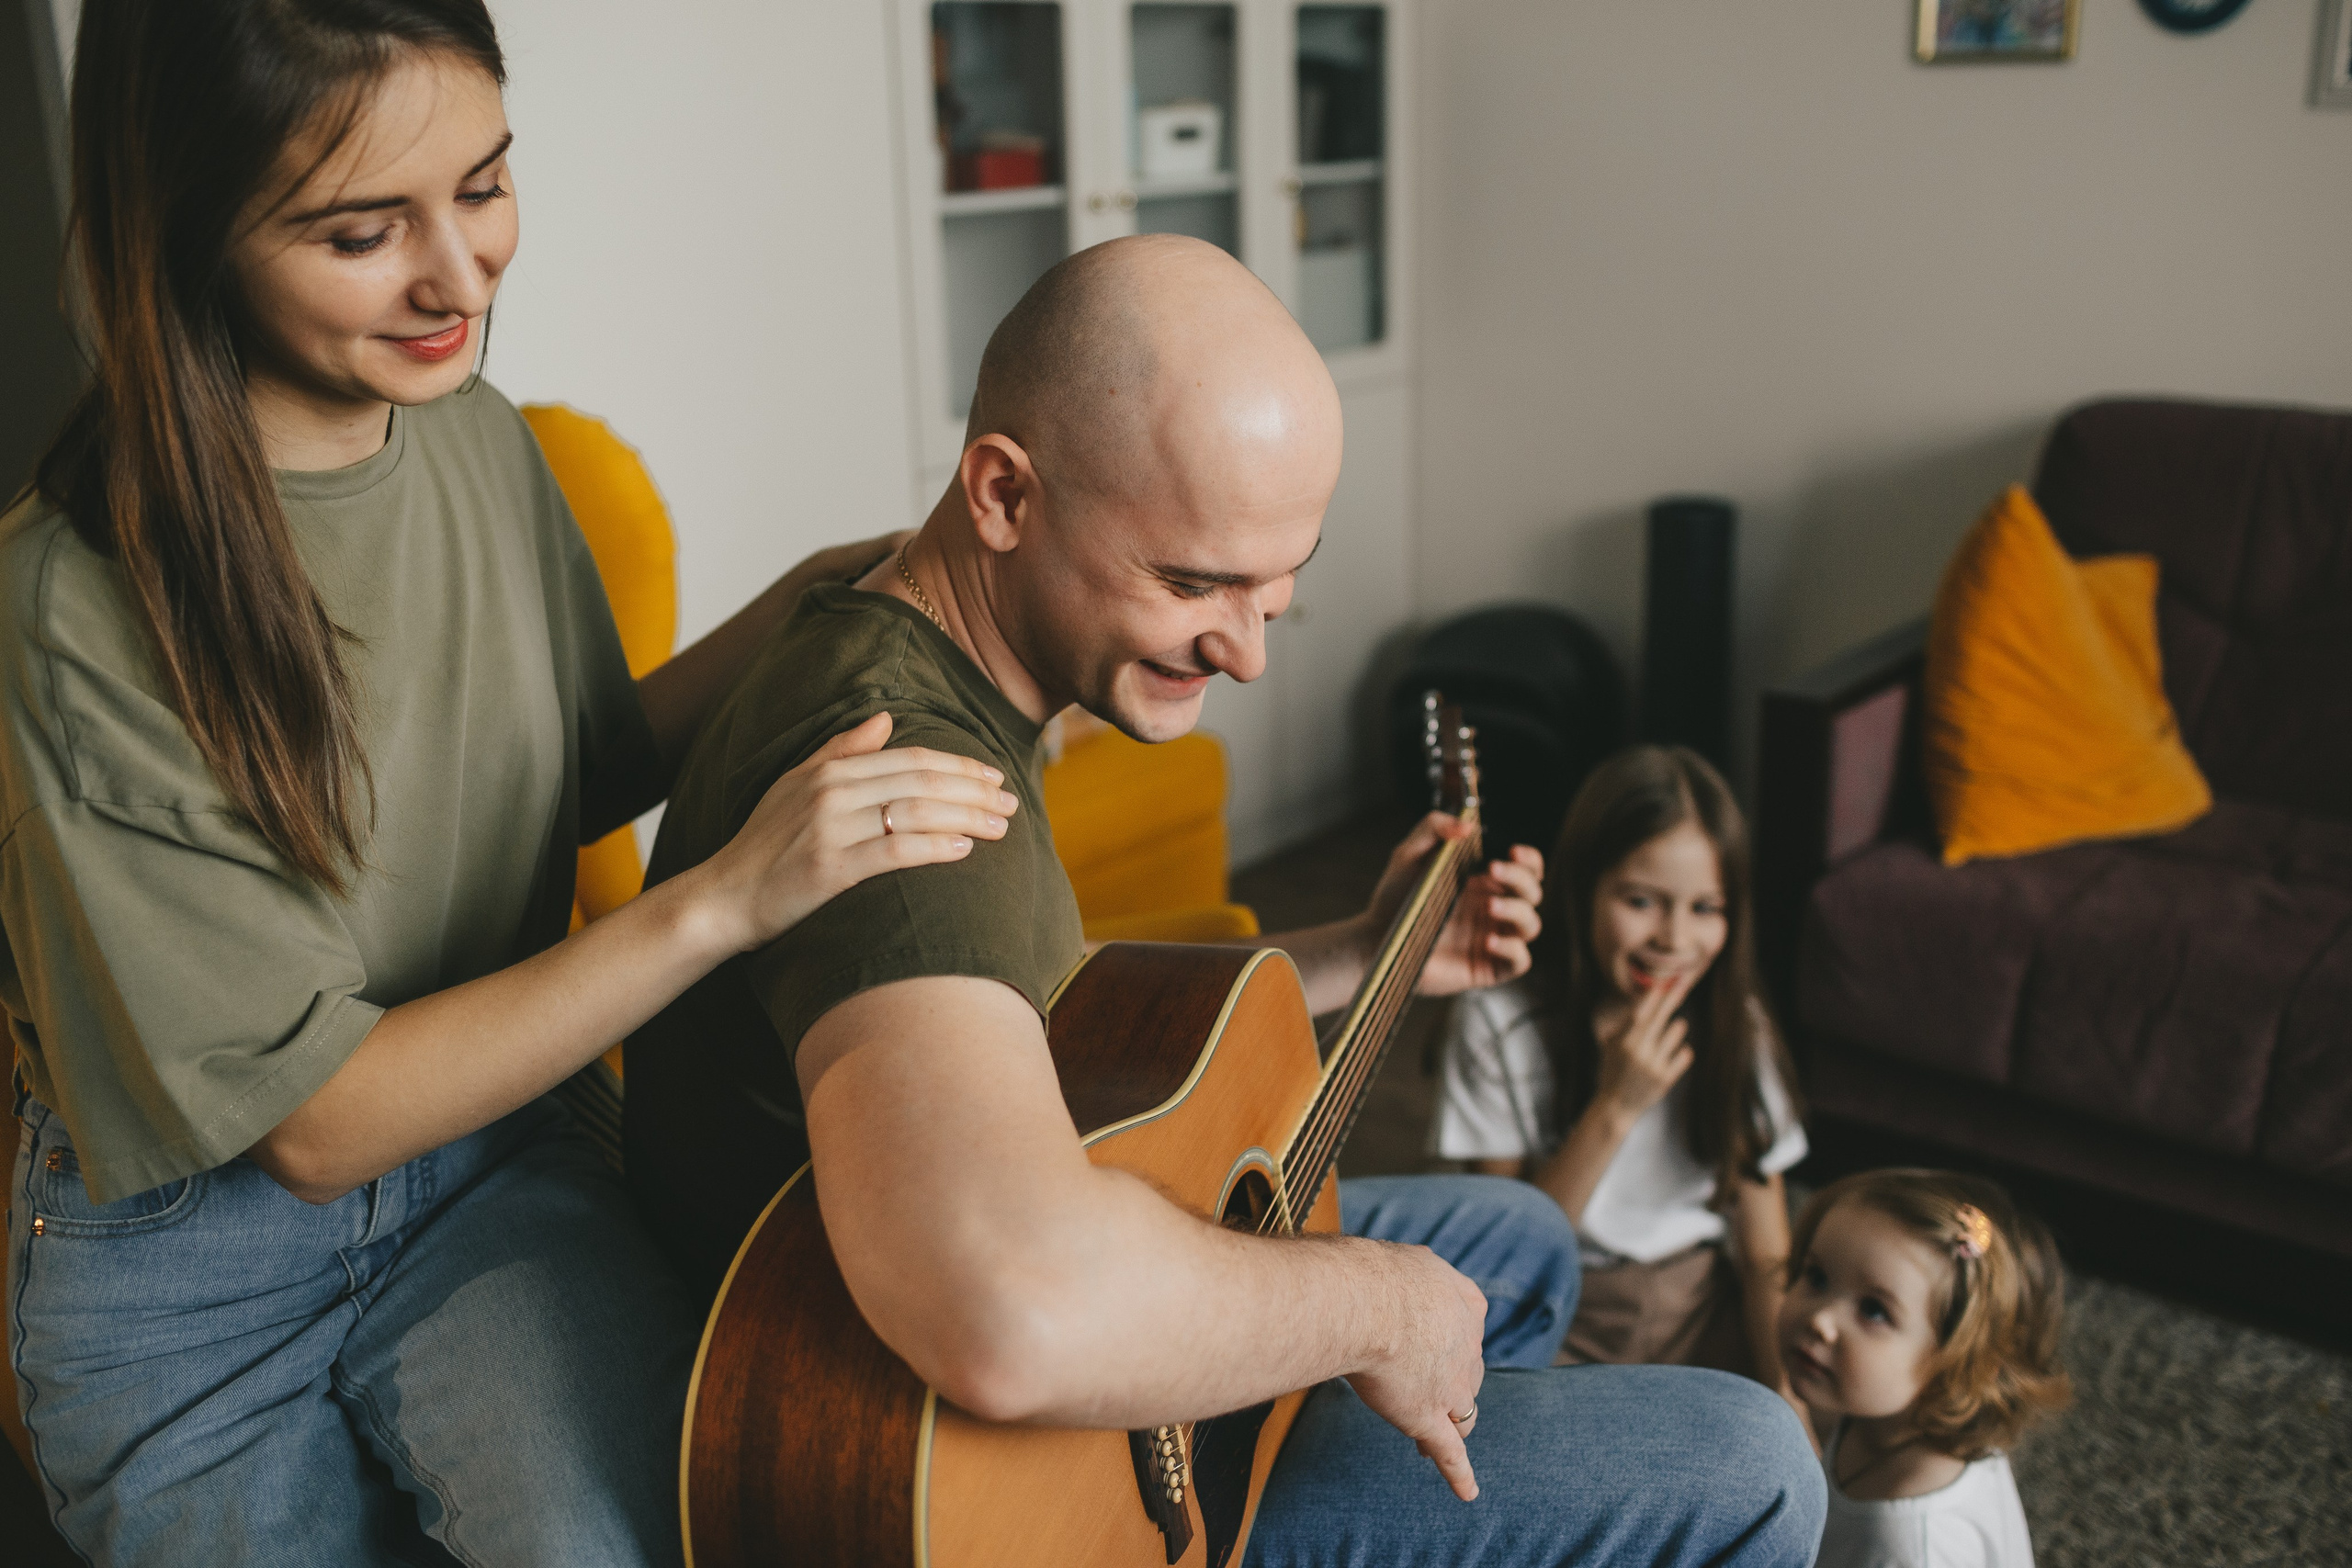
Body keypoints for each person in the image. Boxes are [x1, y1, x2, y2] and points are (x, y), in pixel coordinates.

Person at [628, 234, 1826, 1566]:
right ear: (1005, 492)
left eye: (1279, 587)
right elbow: (1011, 1309)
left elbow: (1029, 997)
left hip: (935, 1318)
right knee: (1759, 1464)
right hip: (982, 1476)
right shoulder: (903, 774)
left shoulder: (899, 620)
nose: (1246, 653)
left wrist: (1361, 950)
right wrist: (1373, 1304)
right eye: (1194, 582)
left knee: (1525, 1236)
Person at [4, 5, 1012, 1563]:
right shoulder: (69, 605)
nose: (462, 278)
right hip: (195, 1283)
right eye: (361, 231)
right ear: (191, 227)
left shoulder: (476, 439)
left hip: (494, 1168)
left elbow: (577, 763)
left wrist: (834, 596)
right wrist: (726, 899)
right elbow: (316, 1121)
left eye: (482, 187)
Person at [1430, 746, 1809, 1395]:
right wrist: (1617, 1105)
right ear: (1583, 891)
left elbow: (1766, 1253)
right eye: (1641, 900)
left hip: (1699, 1301)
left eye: (1705, 908)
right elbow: (1508, 1252)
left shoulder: (1733, 1020)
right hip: (1558, 1308)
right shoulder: (1498, 1019)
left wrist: (1791, 1403)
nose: (1674, 940)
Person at [1780, 1169, 2072, 1568]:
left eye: (1873, 1310)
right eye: (1816, 1276)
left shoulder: (1914, 1547)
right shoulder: (1878, 1415)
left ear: (1959, 1360)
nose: (1821, 1321)